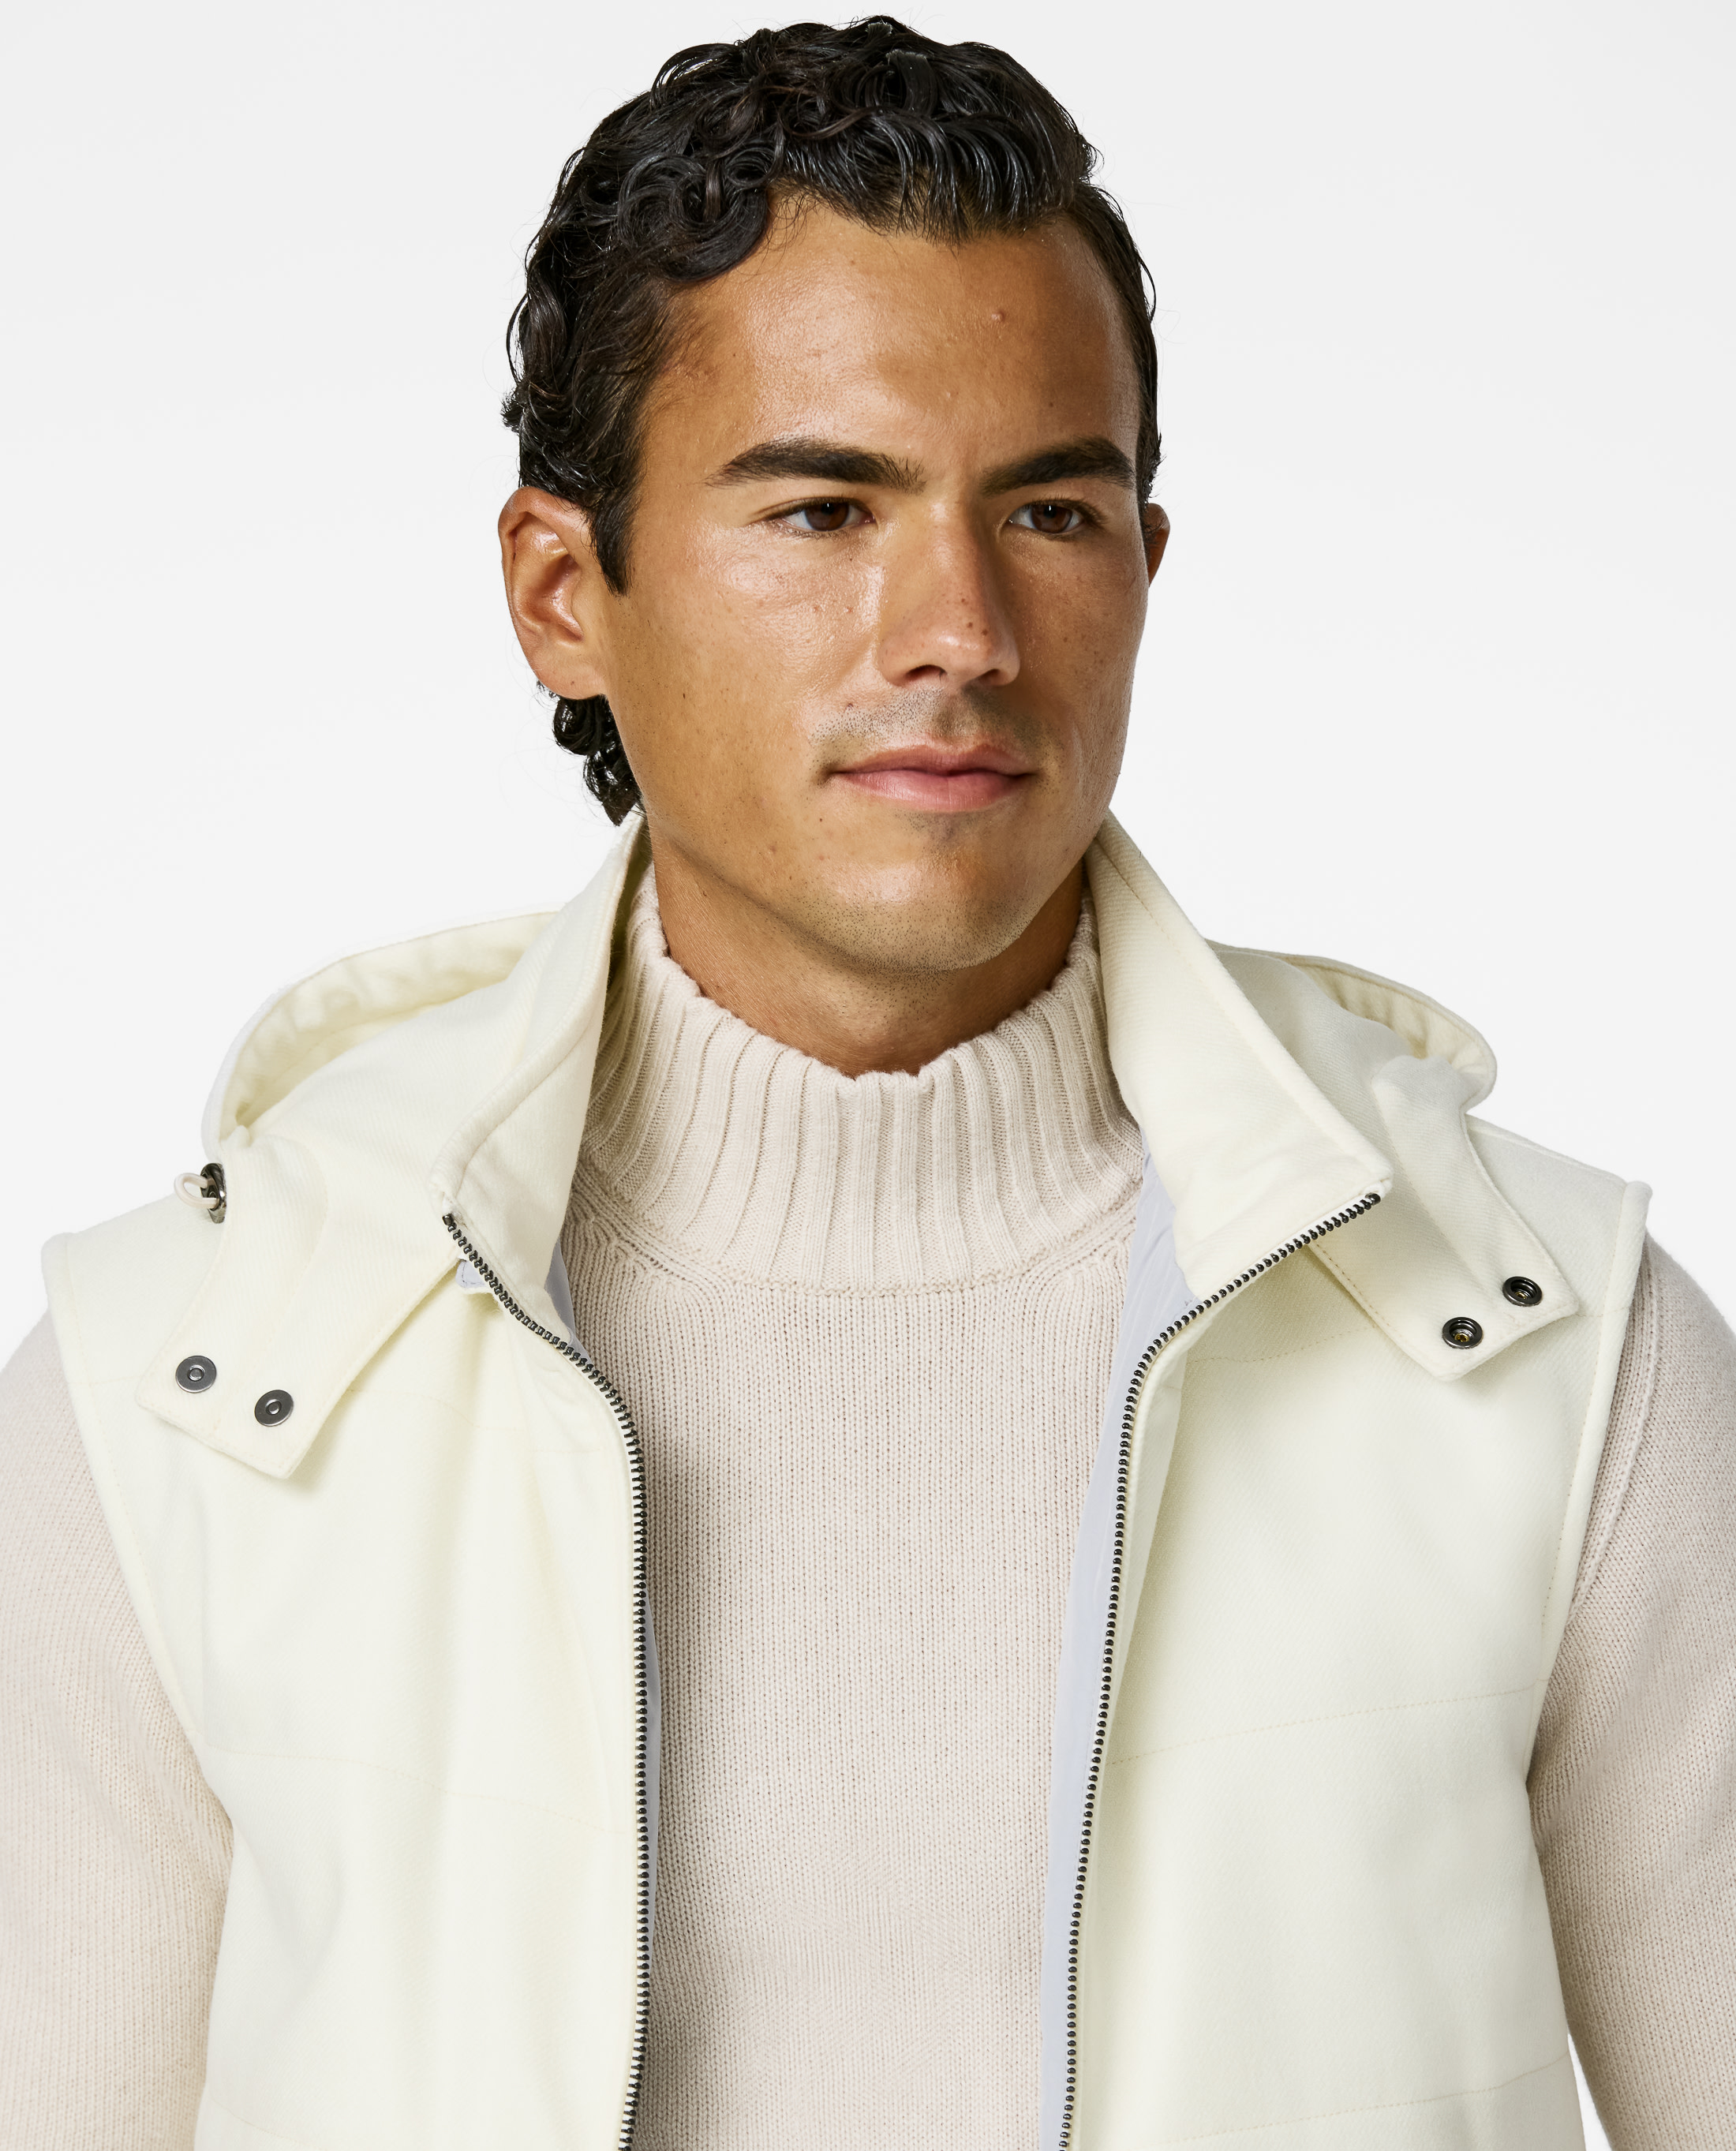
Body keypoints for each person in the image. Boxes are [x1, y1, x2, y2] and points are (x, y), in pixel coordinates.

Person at [1, 17, 1730, 2150]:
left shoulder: (1553, 1351)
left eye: (1052, 511)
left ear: (1146, 569)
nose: (962, 630)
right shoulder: (186, 1388)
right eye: (825, 508)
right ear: (565, 593)